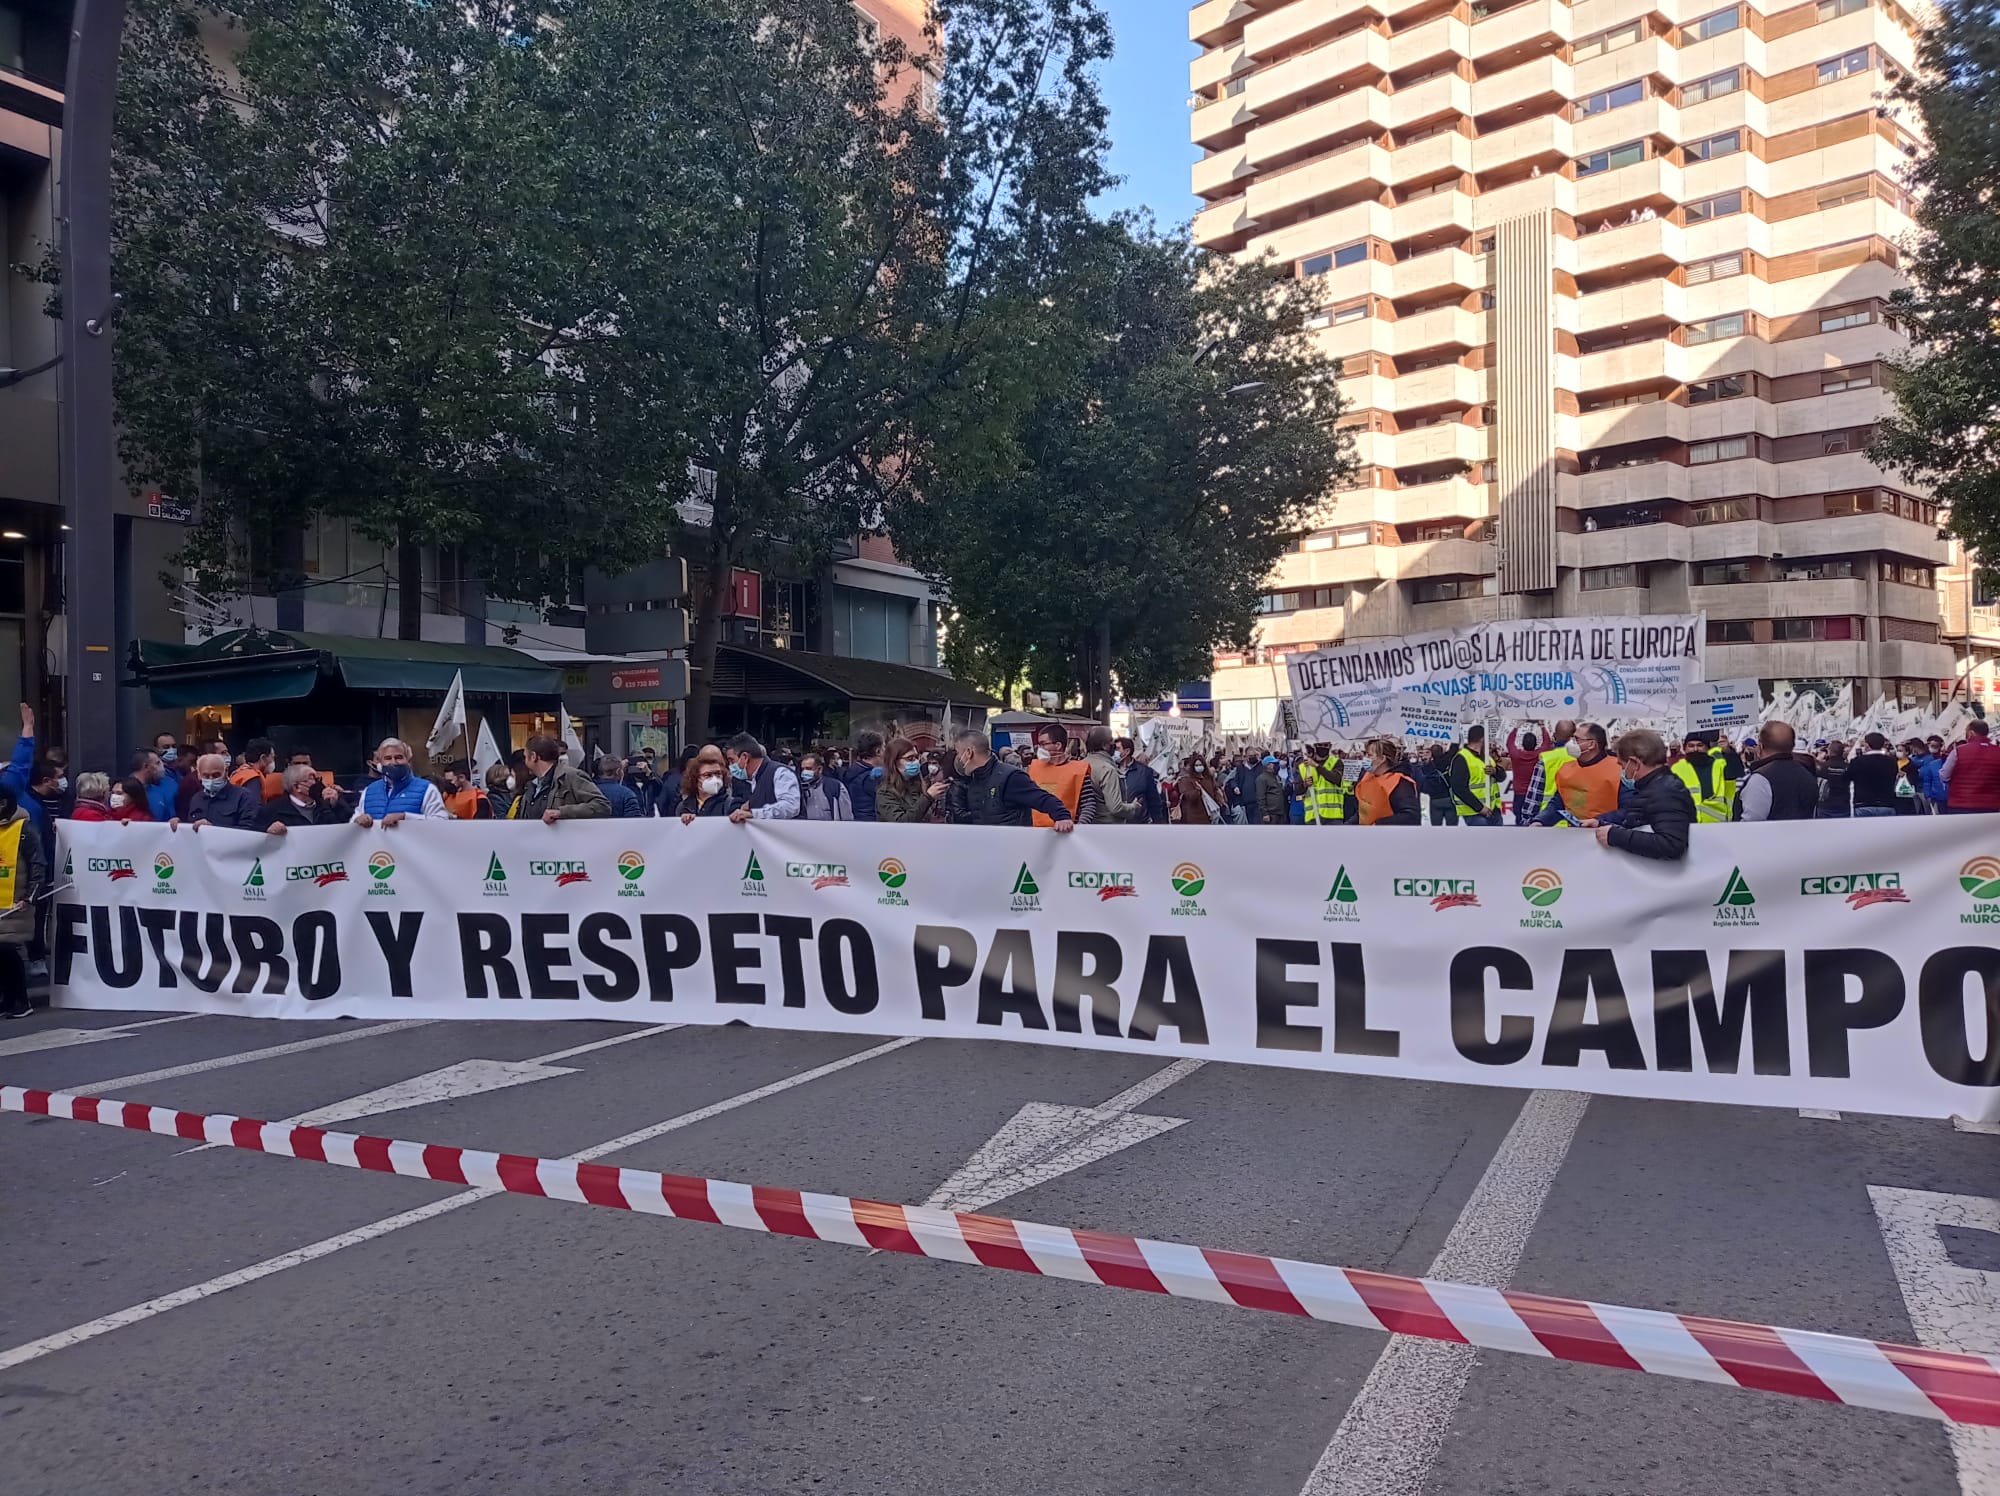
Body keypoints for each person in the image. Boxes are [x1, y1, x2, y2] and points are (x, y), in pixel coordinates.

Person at [1586, 729, 1692, 861]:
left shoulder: (1664, 791)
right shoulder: (1653, 787)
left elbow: (1671, 844)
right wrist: (1601, 824)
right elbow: (1639, 822)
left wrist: (1615, 836)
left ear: (1635, 763)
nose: (1622, 771)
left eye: (1622, 765)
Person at [945, 730, 1074, 829]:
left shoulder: (1010, 777)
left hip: (1012, 853)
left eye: (957, 752)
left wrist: (1062, 817)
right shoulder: (974, 780)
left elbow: (1043, 799)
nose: (957, 758)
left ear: (969, 752)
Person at [0, 785, 47, 1019]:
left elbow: (38, 864)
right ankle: (8, 999)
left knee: (7, 948)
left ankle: (20, 1000)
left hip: (15, 902)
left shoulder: (23, 829)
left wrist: (31, 895)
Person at [512, 735, 611, 824]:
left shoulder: (571, 776)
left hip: (563, 842)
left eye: (525, 756)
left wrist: (561, 812)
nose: (524, 761)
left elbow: (602, 805)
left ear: (533, 757)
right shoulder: (531, 784)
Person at [351, 738, 450, 827]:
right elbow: (353, 823)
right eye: (388, 758)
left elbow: (441, 822)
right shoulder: (369, 791)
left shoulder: (427, 789)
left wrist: (405, 817)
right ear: (380, 763)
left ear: (408, 760)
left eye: (399, 757)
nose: (393, 762)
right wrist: (358, 820)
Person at [1537, 723, 1621, 825]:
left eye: (1576, 739)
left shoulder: (1618, 769)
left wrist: (1599, 821)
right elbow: (1559, 803)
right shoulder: (1566, 768)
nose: (1571, 742)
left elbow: (1629, 810)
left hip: (1605, 834)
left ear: (1591, 744)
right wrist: (1540, 821)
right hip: (1574, 834)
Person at [1736, 722, 1819, 822]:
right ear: (1792, 745)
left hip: (1769, 836)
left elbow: (1751, 823)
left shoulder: (1760, 779)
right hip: (1802, 836)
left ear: (1761, 746)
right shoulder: (1808, 775)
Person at [1027, 724, 1097, 826]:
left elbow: (1088, 804)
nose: (1040, 748)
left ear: (1058, 745)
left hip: (1066, 832)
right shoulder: (1032, 768)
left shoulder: (1078, 771)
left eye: (1044, 744)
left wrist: (1079, 827)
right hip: (1035, 833)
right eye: (1039, 744)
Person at [722, 733, 799, 824]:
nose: (730, 766)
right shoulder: (754, 779)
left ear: (744, 757)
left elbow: (790, 806)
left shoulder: (780, 773)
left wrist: (754, 814)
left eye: (732, 760)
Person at [176, 752, 265, 830]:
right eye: (206, 776)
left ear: (225, 772)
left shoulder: (243, 797)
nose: (211, 779)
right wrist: (180, 825)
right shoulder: (196, 799)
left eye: (216, 775)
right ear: (199, 775)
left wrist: (214, 830)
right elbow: (191, 828)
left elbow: (250, 831)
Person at [1354, 738, 1420, 825]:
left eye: (1369, 755)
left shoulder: (1399, 782)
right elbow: (1363, 813)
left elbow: (1411, 816)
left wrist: (1378, 824)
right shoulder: (1366, 778)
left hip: (1390, 835)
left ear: (1382, 758)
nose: (1365, 759)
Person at [1081, 726, 1138, 824]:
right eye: (1111, 740)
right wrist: (1132, 807)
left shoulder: (1080, 765)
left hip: (1085, 824)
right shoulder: (1107, 770)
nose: (1114, 744)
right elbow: (1115, 808)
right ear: (1104, 745)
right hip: (1108, 827)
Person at [1670, 734, 1732, 823]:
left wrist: (1728, 752)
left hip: (1716, 826)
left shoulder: (1720, 765)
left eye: (1700, 745)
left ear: (1707, 748)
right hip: (1686, 825)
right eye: (1691, 746)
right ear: (1684, 748)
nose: (1695, 749)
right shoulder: (1676, 769)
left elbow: (1735, 772)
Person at [1943, 719, 2000, 813]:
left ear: (1971, 733)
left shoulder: (1958, 751)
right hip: (1991, 806)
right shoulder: (1998, 752)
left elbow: (1944, 775)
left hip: (1961, 804)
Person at [1524, 719, 1576, 820]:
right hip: (1576, 820)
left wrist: (1528, 817)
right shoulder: (1582, 757)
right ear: (1574, 737)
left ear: (1555, 735)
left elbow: (1535, 793)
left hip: (1547, 820)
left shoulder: (1546, 759)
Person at [1449, 727, 1501, 825]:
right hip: (1474, 813)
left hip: (1493, 810)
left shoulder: (1486, 757)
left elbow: (1501, 776)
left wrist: (1495, 771)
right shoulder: (1462, 758)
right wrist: (1480, 808)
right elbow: (1459, 788)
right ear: (1482, 739)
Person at [875, 737, 933, 824]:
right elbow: (901, 823)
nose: (916, 762)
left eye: (917, 757)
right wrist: (927, 797)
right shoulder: (885, 793)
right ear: (894, 761)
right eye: (910, 758)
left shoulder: (917, 785)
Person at [266, 765, 340, 831]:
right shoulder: (272, 810)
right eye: (311, 779)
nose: (316, 783)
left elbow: (348, 825)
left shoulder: (327, 804)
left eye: (317, 779)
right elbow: (258, 833)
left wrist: (337, 805)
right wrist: (270, 830)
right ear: (296, 787)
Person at [1845, 732, 1901, 819]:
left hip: (1863, 804)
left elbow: (1847, 777)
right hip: (1886, 804)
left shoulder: (1857, 761)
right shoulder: (1891, 762)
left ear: (1867, 745)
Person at [1115, 736, 1166, 824]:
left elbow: (1153, 800)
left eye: (1117, 749)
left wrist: (1158, 823)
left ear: (1127, 751)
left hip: (1138, 823)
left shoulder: (1144, 772)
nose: (1114, 752)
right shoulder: (1111, 769)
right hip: (1116, 823)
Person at [675, 745, 733, 822]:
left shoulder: (730, 805)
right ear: (696, 778)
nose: (714, 778)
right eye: (708, 775)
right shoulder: (683, 807)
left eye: (718, 773)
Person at [836, 730, 885, 822]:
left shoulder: (851, 771)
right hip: (872, 824)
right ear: (878, 751)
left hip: (856, 821)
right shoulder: (873, 777)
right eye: (884, 747)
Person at [797, 752, 854, 821]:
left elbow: (846, 815)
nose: (805, 772)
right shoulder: (799, 788)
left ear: (820, 769)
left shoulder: (835, 786)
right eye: (803, 769)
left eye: (809, 769)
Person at [1298, 744, 1344, 826]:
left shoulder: (1336, 762)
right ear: (1315, 746)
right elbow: (1298, 790)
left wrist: (1317, 766)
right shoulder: (1304, 766)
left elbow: (1336, 779)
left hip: (1332, 816)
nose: (1323, 747)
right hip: (1312, 815)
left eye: (1325, 745)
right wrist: (1305, 784)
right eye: (1320, 745)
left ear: (1330, 746)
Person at [1505, 727, 1541, 824]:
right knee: (1536, 819)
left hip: (1519, 793)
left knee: (1519, 818)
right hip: (1534, 793)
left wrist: (1516, 727)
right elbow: (1547, 745)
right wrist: (1542, 726)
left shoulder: (1516, 755)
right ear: (1536, 744)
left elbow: (1509, 743)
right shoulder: (1539, 755)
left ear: (1522, 744)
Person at [1177, 754, 1225, 825]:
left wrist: (1219, 797)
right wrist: (1197, 790)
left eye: (1200, 764)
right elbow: (1188, 796)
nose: (1199, 767)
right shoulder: (1186, 780)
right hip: (1194, 817)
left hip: (1209, 815)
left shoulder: (1208, 778)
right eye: (1196, 765)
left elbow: (1214, 790)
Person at [132, 749, 179, 822]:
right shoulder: (123, 790)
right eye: (157, 763)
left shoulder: (157, 792)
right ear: (146, 766)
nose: (162, 766)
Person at [592, 754, 643, 819]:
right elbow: (634, 823)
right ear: (618, 771)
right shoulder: (627, 794)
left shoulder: (587, 790)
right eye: (623, 770)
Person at [1417, 744, 1457, 826]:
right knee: (1452, 829)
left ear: (1431, 753)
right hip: (1449, 799)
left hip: (1435, 800)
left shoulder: (1428, 766)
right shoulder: (1448, 760)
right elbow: (1454, 748)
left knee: (1436, 828)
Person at [1815, 740, 1852, 819]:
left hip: (1825, 805)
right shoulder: (1848, 767)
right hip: (1843, 804)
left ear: (1829, 751)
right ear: (1842, 752)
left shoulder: (1822, 766)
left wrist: (1818, 759)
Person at [1253, 753, 1285, 824]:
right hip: (1270, 814)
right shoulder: (1261, 779)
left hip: (1279, 813)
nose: (1277, 765)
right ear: (1268, 765)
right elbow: (1260, 797)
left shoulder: (1276, 777)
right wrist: (1265, 813)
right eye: (1274, 763)